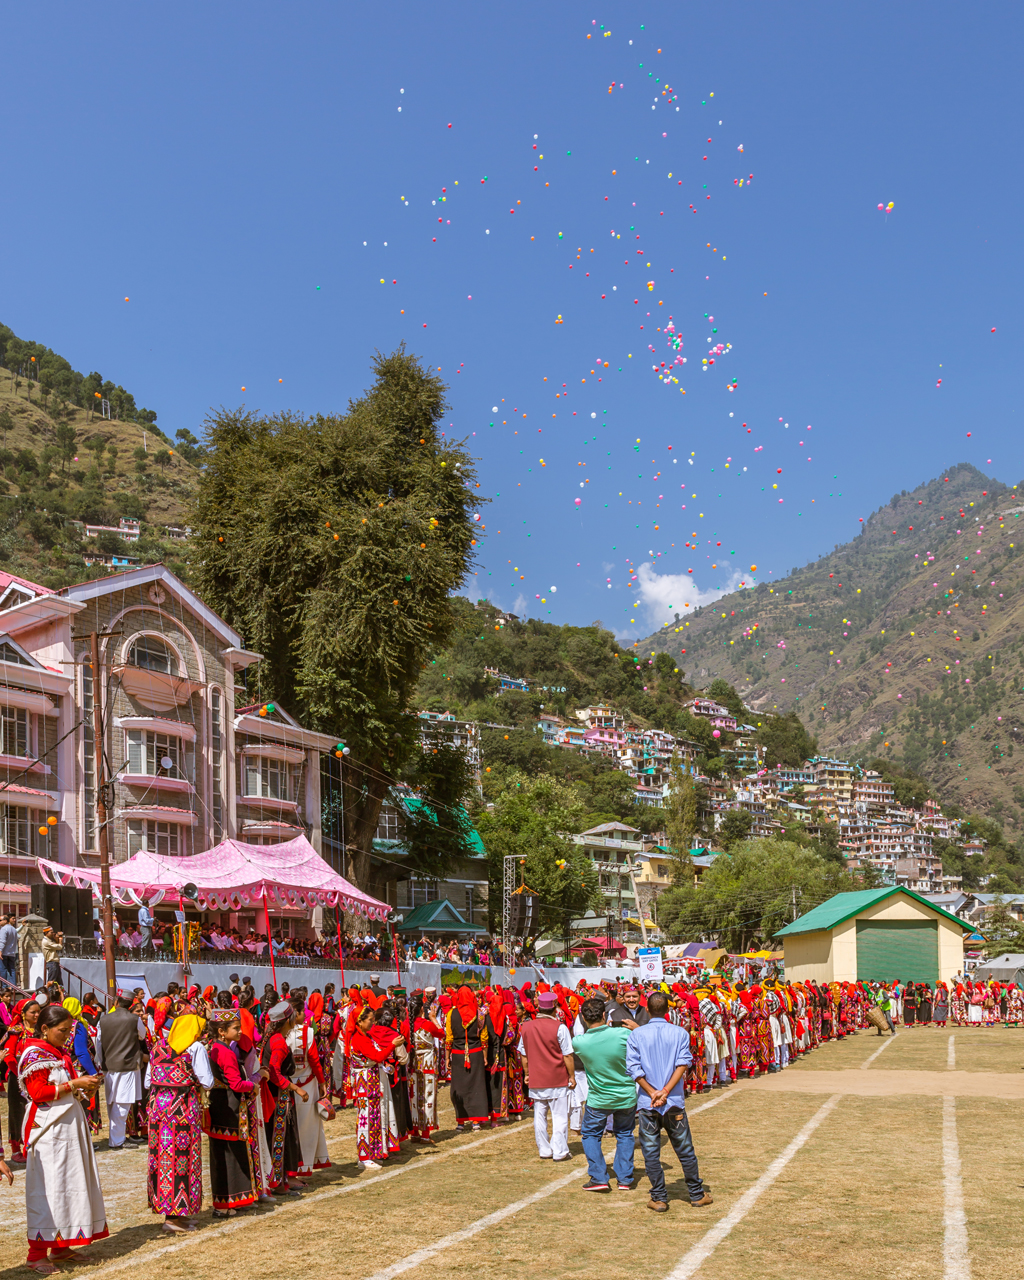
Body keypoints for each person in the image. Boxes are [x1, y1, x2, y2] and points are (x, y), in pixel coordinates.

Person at [20, 1003, 106, 1274]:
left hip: (67, 1130)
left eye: (69, 1031)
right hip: (49, 1133)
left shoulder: (57, 1053)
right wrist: (75, 1084)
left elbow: (61, 1090)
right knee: (51, 1190)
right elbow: (39, 1093)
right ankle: (36, 1253)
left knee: (70, 1186)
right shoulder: (35, 1054)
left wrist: (84, 1088)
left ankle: (61, 1246)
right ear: (44, 1029)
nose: (67, 1036)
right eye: (62, 1031)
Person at [627, 991, 713, 1212]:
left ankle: (659, 1197)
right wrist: (665, 1090)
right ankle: (696, 1193)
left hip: (649, 1102)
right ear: (668, 1010)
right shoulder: (679, 1033)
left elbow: (633, 1069)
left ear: (647, 1009)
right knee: (685, 1149)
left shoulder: (637, 1035)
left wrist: (653, 1091)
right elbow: (683, 1064)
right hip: (672, 1100)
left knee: (651, 1152)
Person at [147, 1012, 211, 1232]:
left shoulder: (158, 1047)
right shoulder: (195, 1048)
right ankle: (174, 1218)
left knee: (163, 1161)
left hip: (158, 1112)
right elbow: (207, 1081)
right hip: (183, 1111)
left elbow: (148, 1080)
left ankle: (175, 1214)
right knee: (183, 1160)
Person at [571, 997, 636, 1193]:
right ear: (605, 1015)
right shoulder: (624, 1034)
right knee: (624, 1134)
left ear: (583, 1017)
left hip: (599, 1097)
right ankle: (624, 1178)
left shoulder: (579, 1042)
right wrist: (635, 1027)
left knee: (591, 1134)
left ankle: (599, 1176)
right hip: (625, 1094)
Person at [206, 1011, 267, 1217]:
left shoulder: (215, 1048)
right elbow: (237, 1083)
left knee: (224, 1154)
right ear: (222, 1032)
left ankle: (228, 1203)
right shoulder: (225, 1052)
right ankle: (230, 1203)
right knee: (232, 1153)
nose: (241, 1032)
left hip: (220, 1106)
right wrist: (254, 1084)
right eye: (236, 1028)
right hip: (229, 1108)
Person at [518, 991, 575, 1162]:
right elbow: (568, 1055)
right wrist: (571, 1076)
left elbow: (523, 1054)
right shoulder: (560, 1027)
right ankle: (559, 1150)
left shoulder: (526, 1027)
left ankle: (544, 1149)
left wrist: (527, 1074)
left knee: (539, 1115)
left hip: (537, 1078)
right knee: (559, 1116)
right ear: (555, 1007)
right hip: (556, 1078)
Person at [260, 1002, 306, 1194]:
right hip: (278, 1096)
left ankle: (279, 1180)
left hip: (273, 1093)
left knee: (277, 1137)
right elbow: (274, 1072)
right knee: (278, 1137)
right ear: (288, 1020)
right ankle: (278, 1183)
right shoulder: (278, 1042)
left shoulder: (272, 1037)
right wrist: (296, 1088)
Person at [285, 996, 333, 1176]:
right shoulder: (306, 1032)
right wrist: (322, 1082)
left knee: (291, 1126)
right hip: (307, 1084)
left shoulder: (280, 1032)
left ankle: (290, 1166)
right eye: (302, 1012)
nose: (305, 1015)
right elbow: (314, 1060)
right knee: (307, 1126)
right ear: (295, 1013)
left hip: (287, 1084)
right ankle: (303, 1165)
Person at [348, 1004, 399, 1169]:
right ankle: (364, 1156)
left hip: (372, 1082)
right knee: (365, 1119)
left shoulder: (366, 1036)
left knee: (374, 1118)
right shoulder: (359, 1038)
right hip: (365, 1083)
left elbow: (375, 1058)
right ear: (360, 1021)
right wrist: (393, 1044)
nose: (373, 1023)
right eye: (370, 1020)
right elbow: (377, 1056)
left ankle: (371, 1153)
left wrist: (385, 1067)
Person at [95, 994, 146, 1151]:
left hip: (109, 1065)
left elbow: (98, 1042)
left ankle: (116, 1137)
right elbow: (142, 1035)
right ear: (131, 1004)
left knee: (112, 1102)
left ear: (116, 1002)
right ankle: (117, 1141)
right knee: (123, 1103)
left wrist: (100, 1062)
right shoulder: (134, 1019)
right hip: (128, 1065)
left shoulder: (102, 1020)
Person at [446, 986, 491, 1131]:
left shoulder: (451, 1013)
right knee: (477, 1085)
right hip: (476, 1053)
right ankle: (476, 1121)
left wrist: (447, 1057)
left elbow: (449, 1038)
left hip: (458, 1054)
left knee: (458, 1086)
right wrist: (484, 1057)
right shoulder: (479, 1013)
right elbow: (484, 1038)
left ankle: (460, 1121)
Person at [408, 990, 443, 1143]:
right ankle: (425, 1134)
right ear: (422, 1009)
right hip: (427, 1064)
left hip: (413, 1064)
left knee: (414, 1098)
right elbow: (442, 1034)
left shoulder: (406, 1025)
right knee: (428, 1098)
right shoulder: (427, 1024)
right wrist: (434, 1019)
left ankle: (414, 1131)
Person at [0, 913, 17, 985]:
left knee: (3, 970)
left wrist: (0, 950)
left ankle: (4, 986)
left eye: (0, 920)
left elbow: (2, 941)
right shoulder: (14, 929)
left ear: (5, 921)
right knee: (12, 970)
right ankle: (13, 986)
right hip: (12, 953)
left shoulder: (4, 929)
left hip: (4, 953)